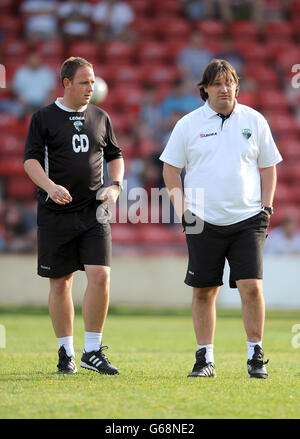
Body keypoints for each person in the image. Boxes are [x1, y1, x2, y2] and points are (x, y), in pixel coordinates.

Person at [160, 59, 282, 379]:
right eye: (217, 83)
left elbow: (269, 166)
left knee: (252, 287)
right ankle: (205, 359)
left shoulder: (254, 121)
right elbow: (170, 169)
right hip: (202, 219)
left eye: (229, 82)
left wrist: (266, 208)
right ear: (205, 89)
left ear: (237, 86)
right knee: (204, 290)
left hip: (247, 218)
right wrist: (182, 210)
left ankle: (255, 355)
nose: (224, 88)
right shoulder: (188, 124)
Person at [24, 57, 124, 375]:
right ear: (66, 83)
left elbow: (115, 156)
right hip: (56, 214)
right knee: (61, 283)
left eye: (93, 82)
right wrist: (50, 186)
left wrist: (116, 187)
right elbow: (30, 161)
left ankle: (92, 351)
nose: (90, 88)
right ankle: (66, 352)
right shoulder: (43, 118)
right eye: (84, 82)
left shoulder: (100, 116)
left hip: (93, 211)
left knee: (100, 275)